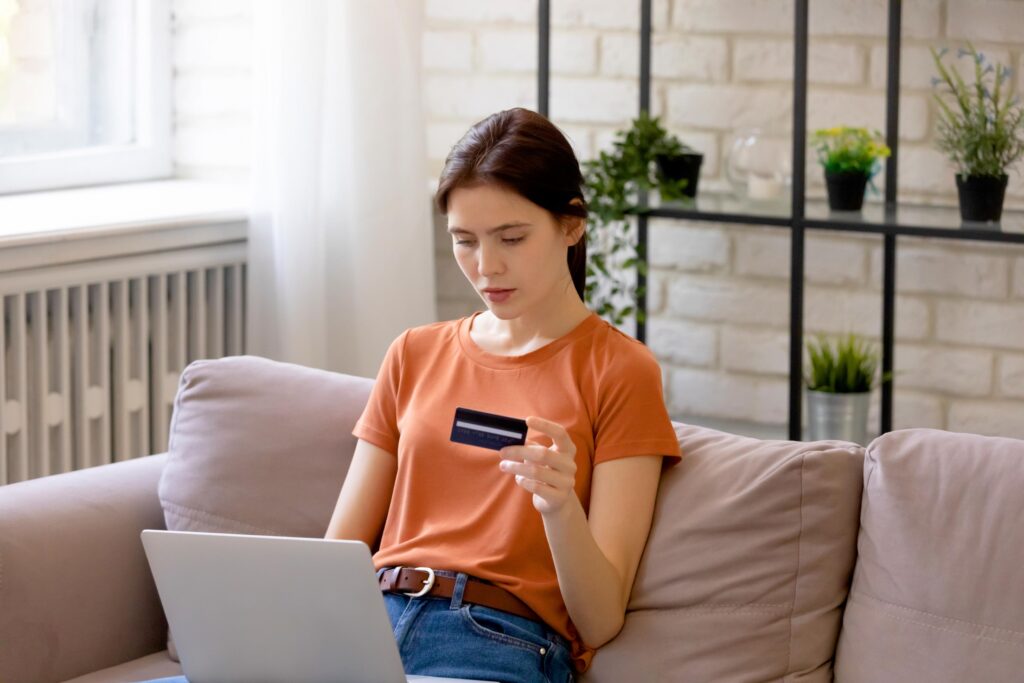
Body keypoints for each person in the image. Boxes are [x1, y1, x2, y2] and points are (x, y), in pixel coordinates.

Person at [140, 107, 681, 683]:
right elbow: (337, 554)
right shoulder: (414, 354)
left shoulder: (620, 369)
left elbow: (599, 621)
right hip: (366, 623)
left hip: (496, 643)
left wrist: (558, 506)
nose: (486, 266)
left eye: (512, 238)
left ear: (571, 225)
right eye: (464, 240)